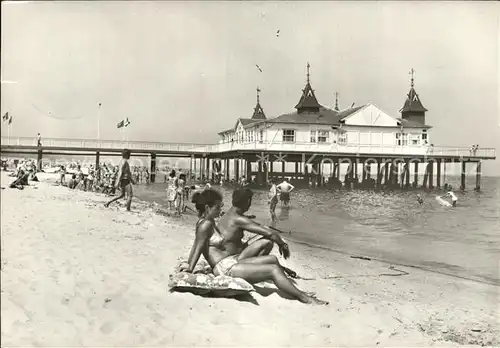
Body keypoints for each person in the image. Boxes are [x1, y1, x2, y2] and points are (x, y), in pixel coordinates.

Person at [180, 188, 327, 305]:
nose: (220, 209)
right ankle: (304, 298)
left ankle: (295, 290)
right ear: (207, 207)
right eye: (218, 207)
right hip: (225, 268)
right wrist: (190, 267)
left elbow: (197, 245)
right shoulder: (205, 224)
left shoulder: (208, 222)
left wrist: (188, 264)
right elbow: (198, 247)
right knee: (272, 269)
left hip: (231, 261)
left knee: (272, 259)